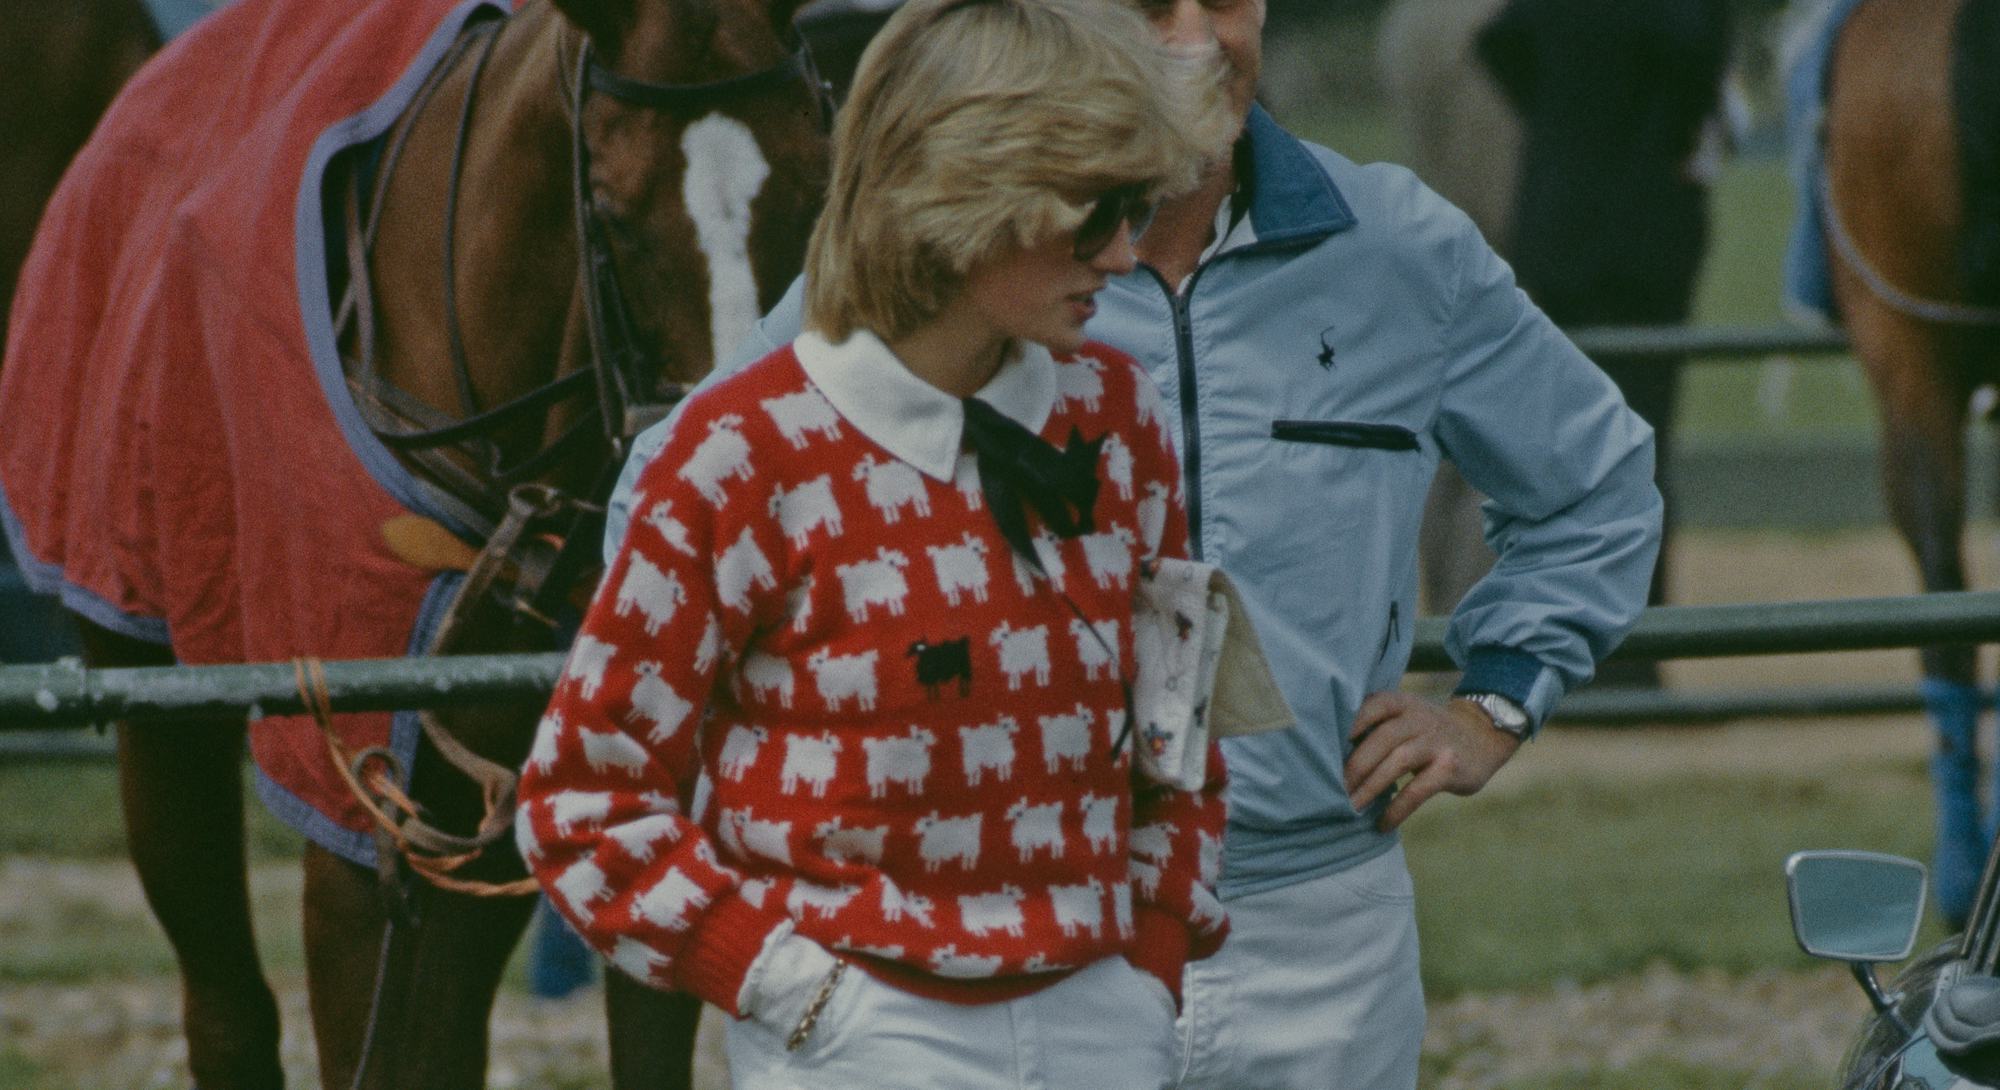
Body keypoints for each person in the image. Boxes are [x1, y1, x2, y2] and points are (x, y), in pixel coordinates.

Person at [606, 0, 1663, 1086]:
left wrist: (1491, 702)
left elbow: (1599, 483)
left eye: (1228, 2)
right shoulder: (943, 267)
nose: (1201, 40)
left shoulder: (1398, 245)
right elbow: (670, 498)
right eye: (1149, 7)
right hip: (1006, 939)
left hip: (1318, 933)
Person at [519, 0, 1237, 1086]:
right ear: (966, 196)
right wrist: (785, 989)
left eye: (1138, 207)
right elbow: (580, 793)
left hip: (1103, 1017)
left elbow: (1175, 728)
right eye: (1097, 212)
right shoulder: (739, 452)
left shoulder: (1119, 417)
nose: (1128, 254)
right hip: (857, 1029)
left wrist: (1150, 966)